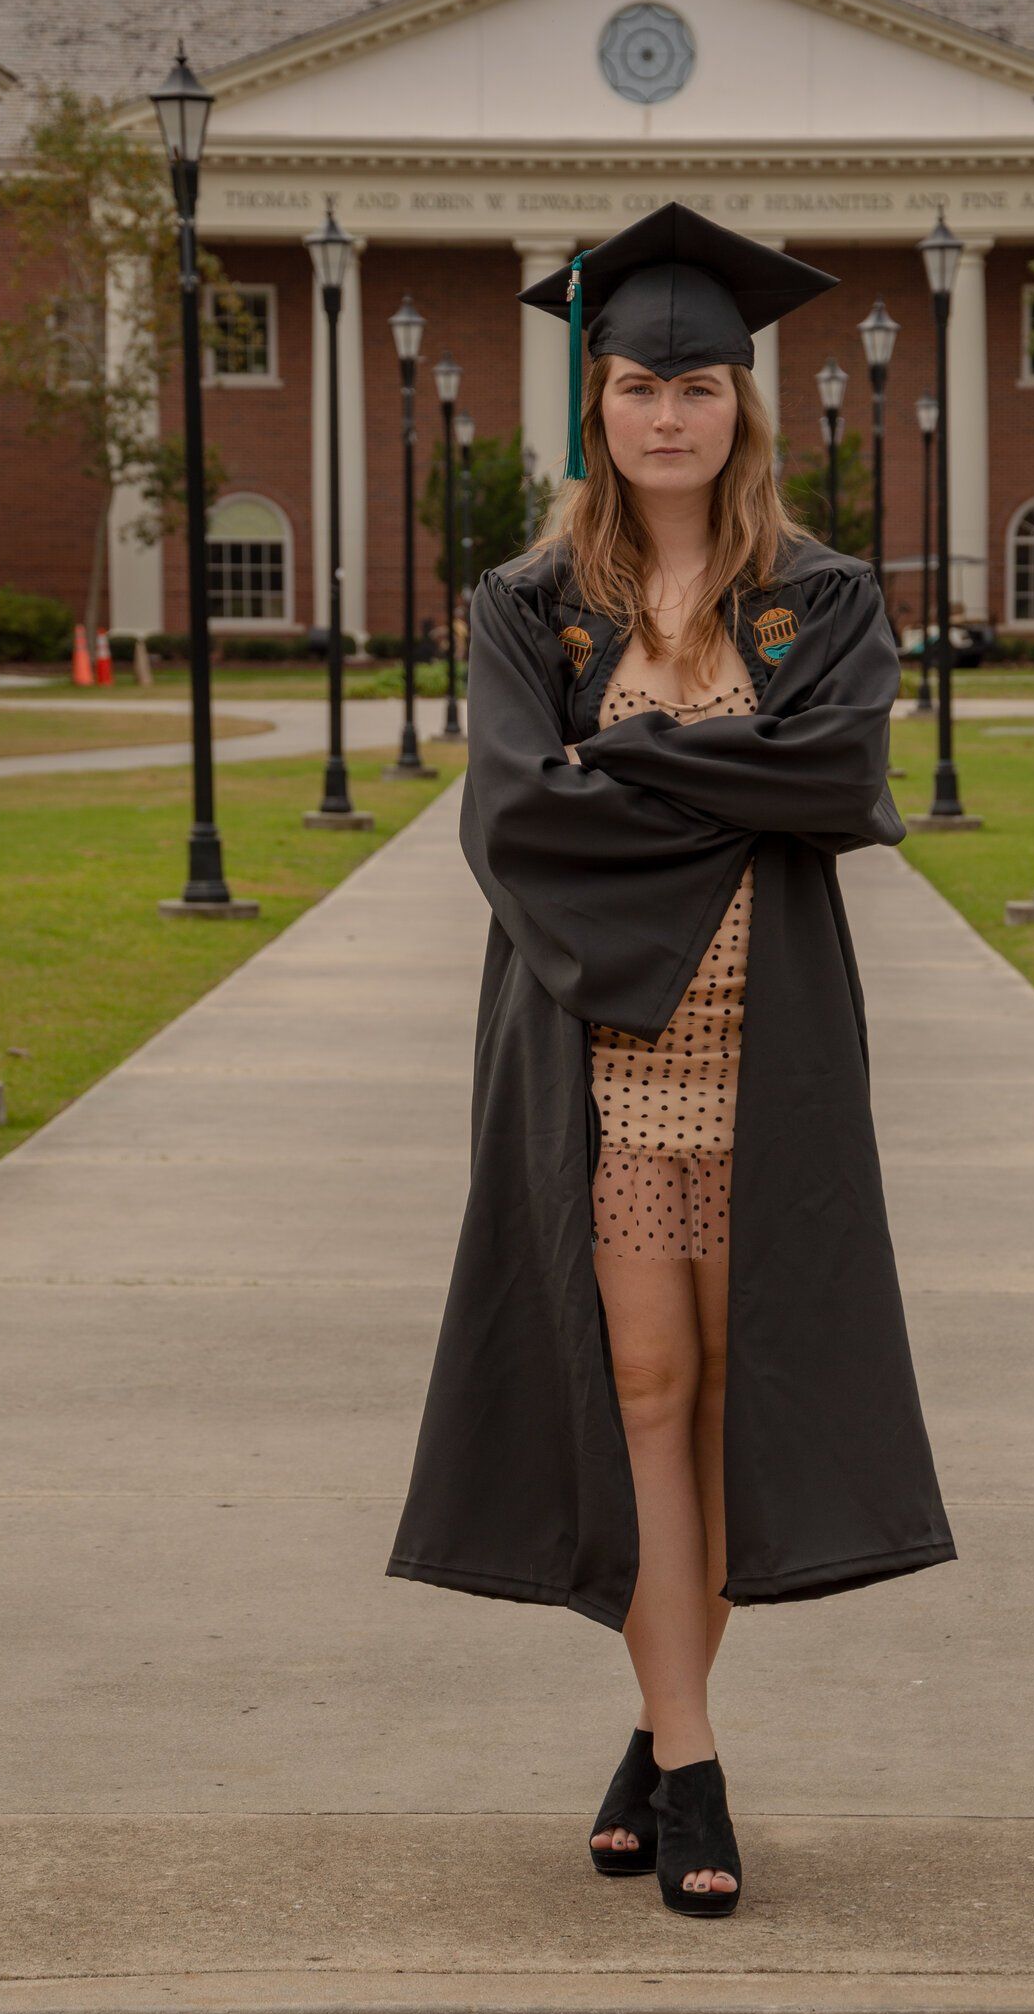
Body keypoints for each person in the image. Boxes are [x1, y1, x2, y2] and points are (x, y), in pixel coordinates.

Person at [386, 205, 956, 1920]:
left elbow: (842, 788)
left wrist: (631, 757)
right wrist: (722, 766)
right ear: (598, 404)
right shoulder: (530, 606)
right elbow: (515, 823)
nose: (667, 416)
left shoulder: (823, 598)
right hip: (601, 1054)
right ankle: (696, 1769)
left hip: (764, 1056)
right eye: (638, 385)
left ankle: (658, 1725)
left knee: (728, 1407)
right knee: (639, 1395)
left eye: (697, 386)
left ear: (741, 406)